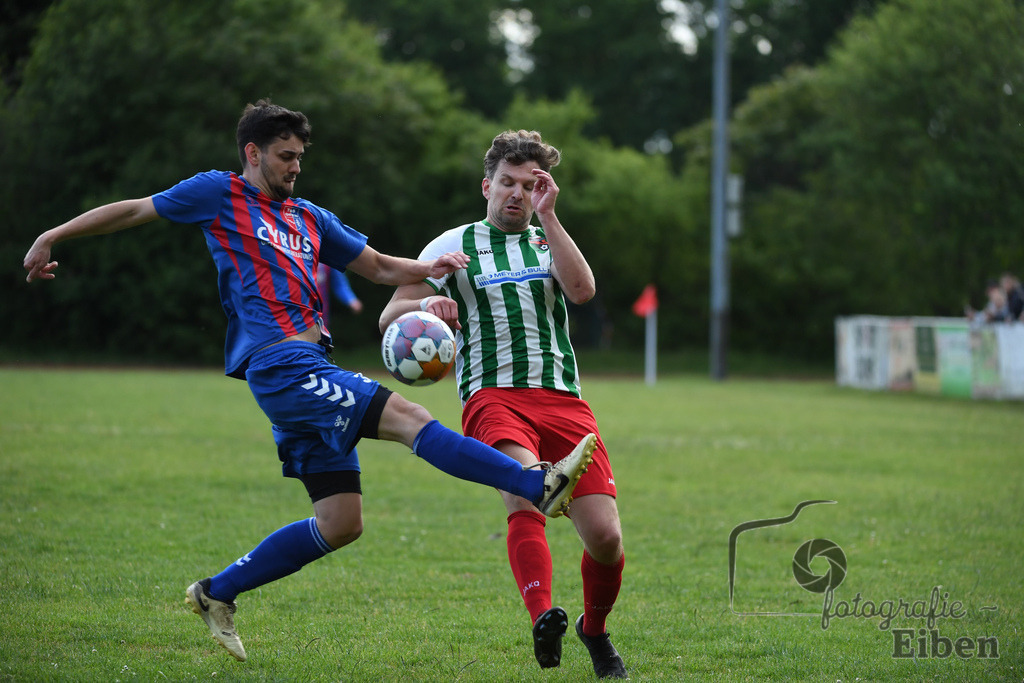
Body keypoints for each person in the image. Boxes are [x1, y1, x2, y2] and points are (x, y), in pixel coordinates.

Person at [22, 101, 596, 663]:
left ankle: (215, 592)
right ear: (253, 153)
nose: (296, 166)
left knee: (341, 522)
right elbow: (134, 211)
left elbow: (375, 267)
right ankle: (534, 483)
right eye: (285, 156)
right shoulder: (218, 193)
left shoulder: (309, 216)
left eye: (299, 156)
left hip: (306, 368)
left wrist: (428, 271)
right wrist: (54, 235)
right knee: (410, 420)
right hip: (283, 365)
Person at [380, 130, 628, 679]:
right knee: (527, 489)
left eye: (530, 184)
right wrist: (429, 304)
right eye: (509, 183)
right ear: (487, 185)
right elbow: (388, 316)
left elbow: (583, 292)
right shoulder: (453, 245)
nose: (518, 193)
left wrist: (552, 217)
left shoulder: (548, 241)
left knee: (606, 539)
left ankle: (595, 629)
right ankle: (544, 618)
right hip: (492, 396)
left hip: (564, 399)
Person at [317, 264, 363, 328]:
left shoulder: (327, 257)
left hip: (321, 317)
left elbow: (339, 283)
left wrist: (351, 299)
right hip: (300, 317)